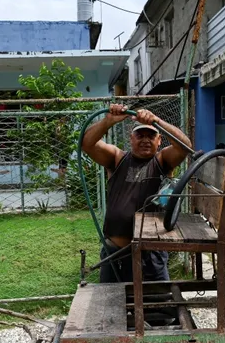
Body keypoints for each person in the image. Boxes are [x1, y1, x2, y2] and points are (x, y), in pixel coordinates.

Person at [80, 103, 194, 284]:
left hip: (150, 255)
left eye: (151, 135)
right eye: (140, 135)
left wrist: (157, 121)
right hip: (114, 253)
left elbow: (185, 146)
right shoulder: (117, 158)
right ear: (130, 139)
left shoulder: (163, 160)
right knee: (112, 308)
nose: (145, 139)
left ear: (159, 141)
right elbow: (87, 144)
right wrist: (108, 121)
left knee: (158, 306)